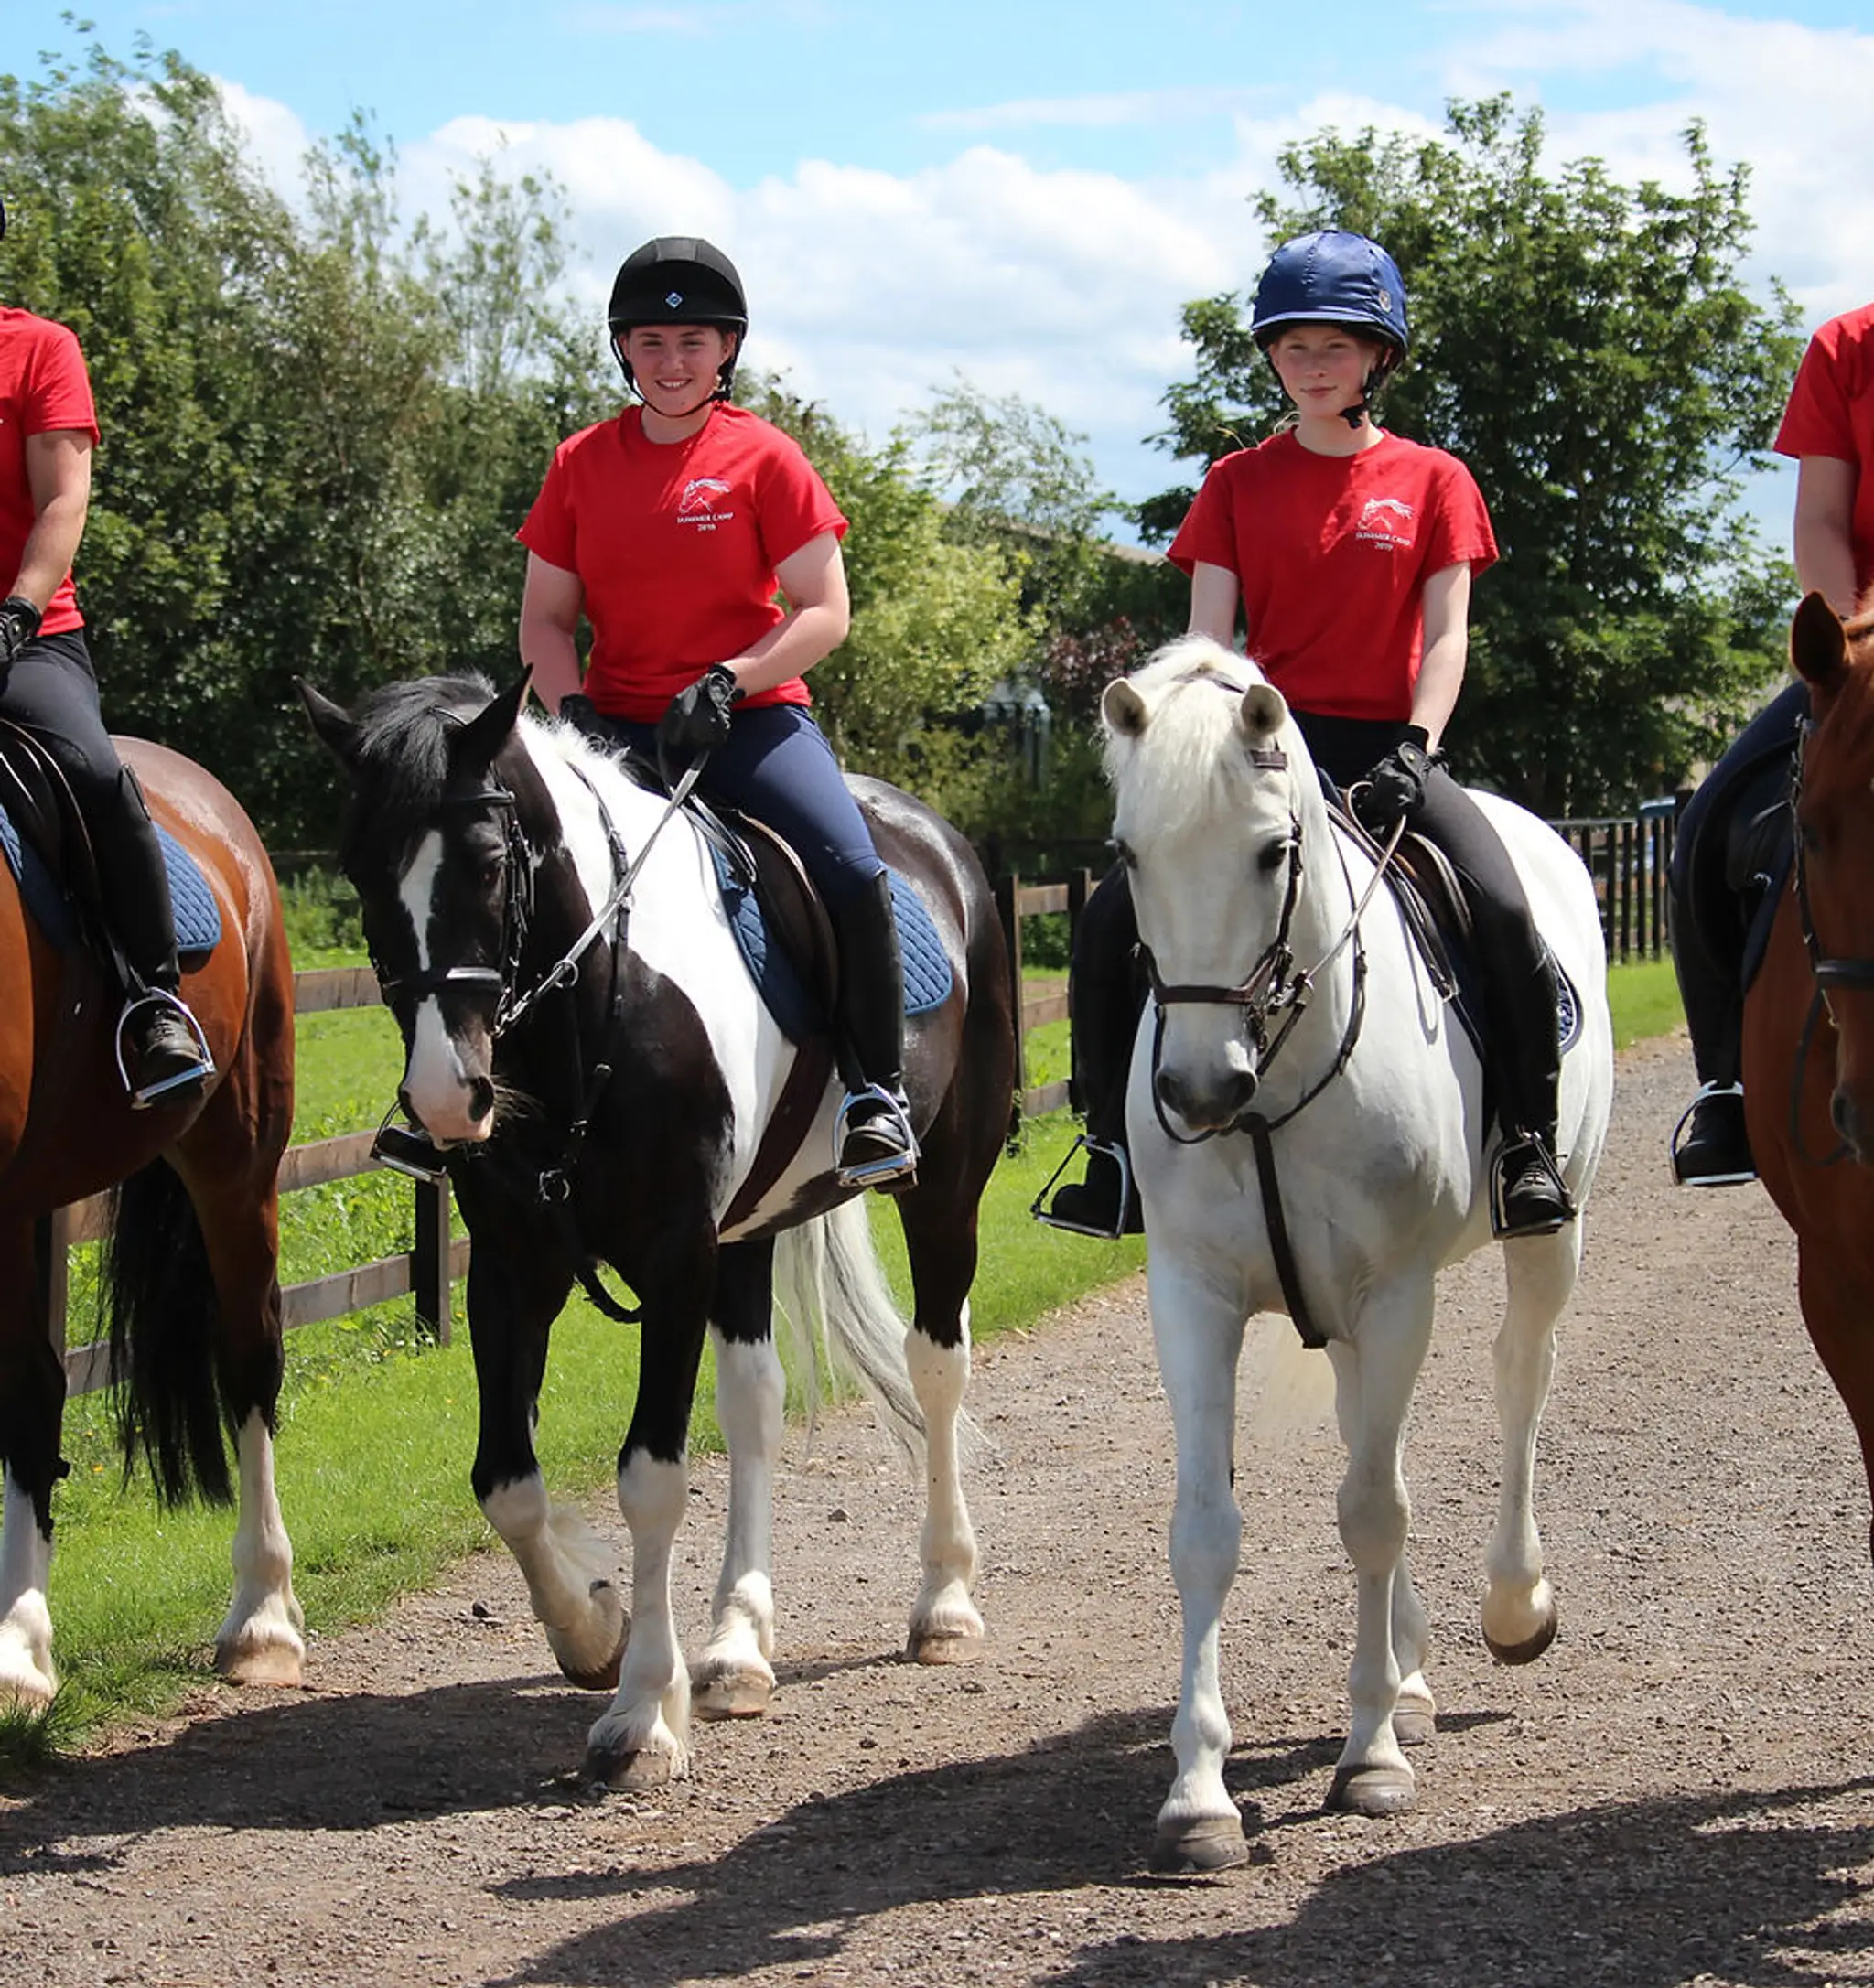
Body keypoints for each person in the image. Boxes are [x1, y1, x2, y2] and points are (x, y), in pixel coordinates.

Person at [1039, 228, 1574, 1241]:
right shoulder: (1236, 483)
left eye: (1336, 346)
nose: (1313, 365)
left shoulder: (1432, 480)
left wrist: (1416, 747)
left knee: (1499, 905)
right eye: (1293, 347)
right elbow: (1206, 646)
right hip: (1259, 752)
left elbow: (1448, 635)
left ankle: (1525, 1148)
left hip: (1387, 751)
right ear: (1270, 359)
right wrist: (1182, 743)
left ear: (1378, 357)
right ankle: (1105, 1149)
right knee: (1113, 917)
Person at [515, 234, 917, 1191]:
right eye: (649, 341)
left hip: (749, 722)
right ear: (623, 349)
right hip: (612, 734)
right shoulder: (580, 463)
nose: (671, 361)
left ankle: (877, 1092)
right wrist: (572, 713)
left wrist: (731, 678)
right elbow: (544, 619)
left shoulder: (764, 457)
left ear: (726, 348)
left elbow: (825, 610)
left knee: (851, 868)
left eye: (692, 341)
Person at [0, 196, 213, 1107]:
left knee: (91, 773)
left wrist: (14, 612)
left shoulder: (40, 349)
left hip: (26, 638)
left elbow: (61, 503)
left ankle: (151, 998)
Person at [1666, 299, 1874, 1187]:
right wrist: (1855, 641)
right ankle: (1725, 1084)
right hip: (1863, 654)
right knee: (1708, 821)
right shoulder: (1845, 349)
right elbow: (1820, 519)